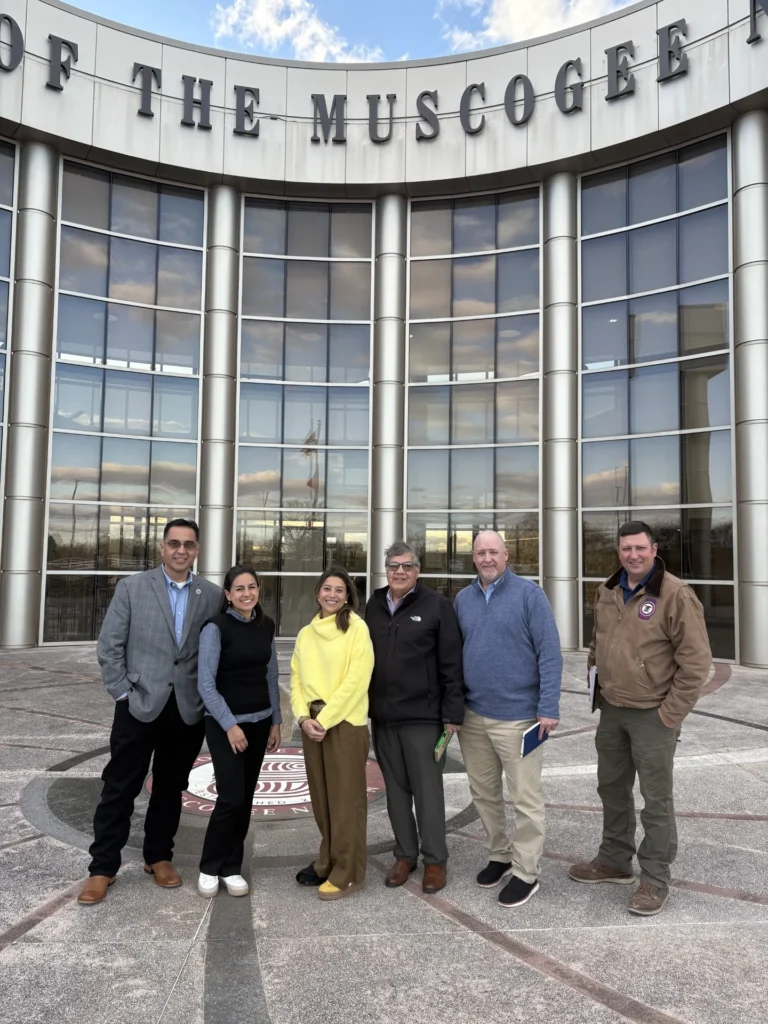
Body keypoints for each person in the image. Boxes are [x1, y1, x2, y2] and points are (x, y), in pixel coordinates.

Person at [568, 521, 711, 916]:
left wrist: (669, 714)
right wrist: (598, 681)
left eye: (639, 548)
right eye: (626, 548)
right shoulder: (608, 590)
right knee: (611, 789)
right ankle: (614, 860)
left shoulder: (675, 594)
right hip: (613, 711)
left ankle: (654, 878)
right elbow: (598, 644)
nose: (633, 555)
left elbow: (697, 664)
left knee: (655, 801)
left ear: (653, 549)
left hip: (653, 715)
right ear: (619, 552)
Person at [78, 519, 221, 905]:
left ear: (196, 550)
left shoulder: (211, 594)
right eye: (174, 543)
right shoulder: (132, 588)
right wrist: (122, 693)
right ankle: (102, 868)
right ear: (162, 547)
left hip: (186, 711)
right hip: (138, 705)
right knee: (120, 786)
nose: (181, 551)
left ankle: (158, 856)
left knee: (170, 788)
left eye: (188, 545)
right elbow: (110, 646)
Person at [454, 530, 562, 909]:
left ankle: (526, 872)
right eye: (480, 552)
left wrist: (549, 706)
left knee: (525, 798)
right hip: (474, 716)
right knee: (484, 793)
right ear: (473, 557)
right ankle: (499, 855)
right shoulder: (463, 599)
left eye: (493, 552)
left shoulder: (529, 595)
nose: (487, 558)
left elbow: (550, 652)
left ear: (506, 554)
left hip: (519, 718)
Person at [365, 541, 464, 895]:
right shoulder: (373, 605)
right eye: (394, 566)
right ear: (386, 569)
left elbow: (452, 663)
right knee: (395, 791)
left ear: (418, 570)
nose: (400, 572)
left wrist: (453, 713)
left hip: (423, 718)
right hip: (384, 717)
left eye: (407, 566)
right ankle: (405, 854)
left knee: (427, 792)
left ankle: (435, 860)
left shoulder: (436, 607)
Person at [196, 565, 282, 899]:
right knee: (230, 797)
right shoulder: (215, 628)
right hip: (224, 725)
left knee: (245, 798)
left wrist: (276, 720)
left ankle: (232, 867)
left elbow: (271, 675)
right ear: (228, 595)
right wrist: (230, 725)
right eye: (240, 589)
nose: (247, 593)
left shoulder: (266, 626)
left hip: (260, 724)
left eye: (253, 587)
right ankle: (209, 866)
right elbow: (206, 683)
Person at [290, 568, 374, 901]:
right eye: (327, 588)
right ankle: (329, 859)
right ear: (317, 593)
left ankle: (349, 872)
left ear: (348, 596)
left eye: (340, 590)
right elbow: (296, 681)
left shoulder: (357, 628)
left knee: (346, 802)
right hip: (313, 724)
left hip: (344, 723)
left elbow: (357, 679)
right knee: (322, 799)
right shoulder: (306, 634)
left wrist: (324, 718)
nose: (332, 595)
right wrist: (301, 718)